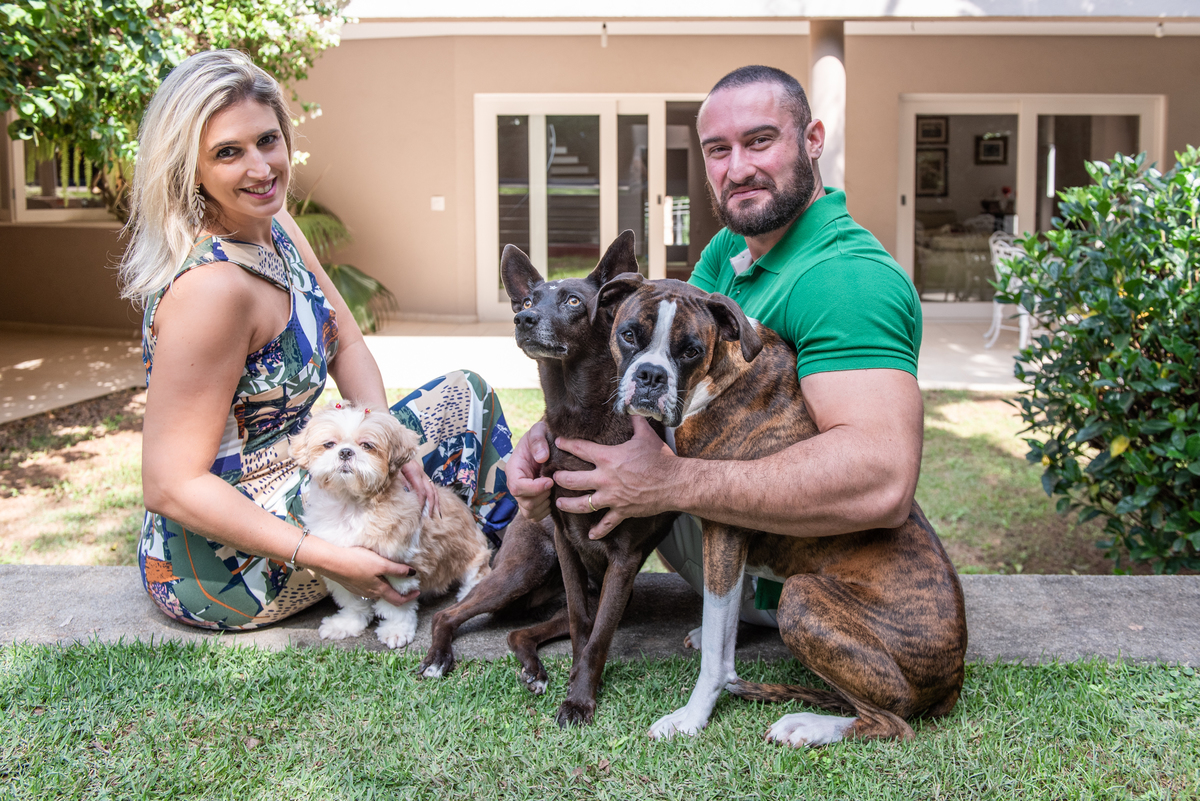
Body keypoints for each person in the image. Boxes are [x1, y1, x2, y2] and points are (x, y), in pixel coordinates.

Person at [506, 65, 924, 621]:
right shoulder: (730, 248)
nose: (739, 168)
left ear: (813, 139)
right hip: (721, 552)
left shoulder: (847, 280)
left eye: (759, 141)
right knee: (552, 486)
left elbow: (883, 480)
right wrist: (543, 440)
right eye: (717, 150)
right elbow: (655, 368)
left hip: (799, 591)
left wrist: (672, 482)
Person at [121, 50, 515, 630]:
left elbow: (347, 342)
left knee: (464, 396)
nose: (260, 168)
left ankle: (494, 563)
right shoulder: (212, 291)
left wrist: (387, 441)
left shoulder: (276, 228)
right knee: (457, 423)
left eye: (267, 141)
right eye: (228, 153)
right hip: (217, 562)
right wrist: (338, 561)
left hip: (309, 469)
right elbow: (170, 486)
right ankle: (500, 569)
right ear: (189, 170)